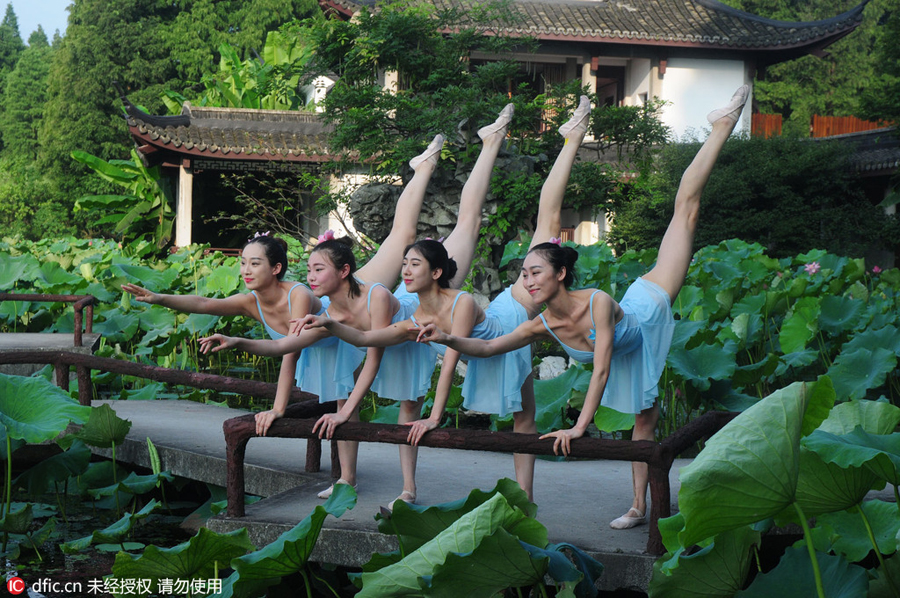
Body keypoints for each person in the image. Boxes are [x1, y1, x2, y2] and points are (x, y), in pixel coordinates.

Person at [416, 85, 750, 528]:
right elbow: (489, 349)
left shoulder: (597, 303)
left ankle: (722, 126)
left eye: (535, 273)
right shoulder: (541, 324)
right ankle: (639, 507)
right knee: (643, 424)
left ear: (559, 275)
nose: (527, 279)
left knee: (684, 211)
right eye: (524, 274)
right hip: (611, 338)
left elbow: (602, 370)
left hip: (644, 313)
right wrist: (448, 339)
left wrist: (578, 426)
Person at [299, 97, 592, 503]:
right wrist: (330, 324)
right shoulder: (411, 303)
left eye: (413, 264)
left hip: (505, 324)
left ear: (435, 271)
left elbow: (451, 354)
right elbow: (374, 341)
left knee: (542, 224)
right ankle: (487, 145)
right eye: (405, 264)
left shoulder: (460, 303)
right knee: (522, 416)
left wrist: (435, 417)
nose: (404, 268)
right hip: (453, 326)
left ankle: (564, 140)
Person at [199, 133, 444, 500]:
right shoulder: (328, 311)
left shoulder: (374, 296)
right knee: (344, 393)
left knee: (406, 408)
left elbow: (373, 356)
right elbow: (285, 345)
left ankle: (408, 489)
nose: (309, 278)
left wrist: (345, 415)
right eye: (308, 271)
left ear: (343, 272)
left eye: (317, 271)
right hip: (366, 329)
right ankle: (347, 479)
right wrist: (236, 341)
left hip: (404, 333)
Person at [122, 234, 323, 408]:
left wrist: (277, 409)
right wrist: (159, 298)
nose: (246, 270)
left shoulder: (298, 295)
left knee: (341, 416)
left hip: (339, 344)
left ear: (276, 268)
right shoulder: (249, 302)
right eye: (243, 263)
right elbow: (203, 303)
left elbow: (291, 352)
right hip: (315, 353)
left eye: (254, 264)